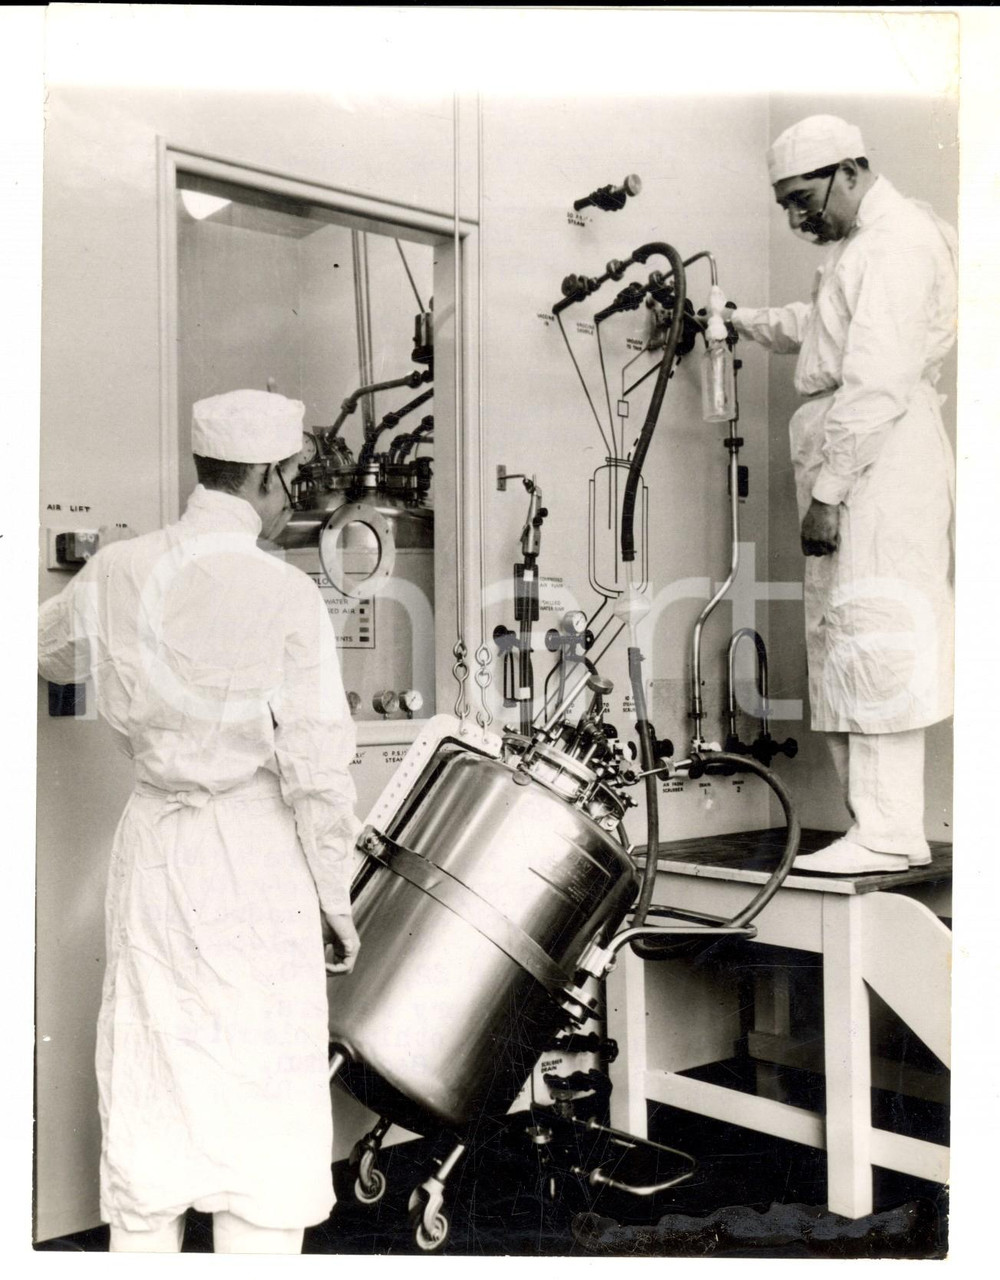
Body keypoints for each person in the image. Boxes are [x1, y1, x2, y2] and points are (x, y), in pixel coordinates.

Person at [38, 389, 362, 1252]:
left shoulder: (117, 570)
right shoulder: (287, 595)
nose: (295, 490)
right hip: (256, 858)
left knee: (154, 1074)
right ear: (267, 475)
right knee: (258, 1099)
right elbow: (319, 770)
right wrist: (338, 900)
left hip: (156, 850)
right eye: (292, 475)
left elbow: (42, 644)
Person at [730, 115, 957, 874]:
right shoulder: (861, 248)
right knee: (844, 635)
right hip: (857, 454)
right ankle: (875, 826)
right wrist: (741, 324)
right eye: (785, 205)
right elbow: (822, 328)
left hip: (877, 459)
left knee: (876, 629)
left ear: (850, 171)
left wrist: (830, 492)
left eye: (804, 198)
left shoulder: (897, 243)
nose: (799, 217)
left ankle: (890, 832)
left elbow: (877, 378)